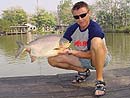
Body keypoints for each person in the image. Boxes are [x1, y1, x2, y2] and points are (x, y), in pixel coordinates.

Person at [48, 1, 111, 96]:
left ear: (89, 13)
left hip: (98, 58)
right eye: (76, 17)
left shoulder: (94, 28)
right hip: (82, 58)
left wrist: (72, 52)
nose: (80, 19)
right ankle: (83, 71)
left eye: (83, 15)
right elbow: (60, 45)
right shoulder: (72, 29)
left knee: (97, 41)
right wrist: (37, 50)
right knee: (52, 59)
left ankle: (99, 81)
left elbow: (90, 54)